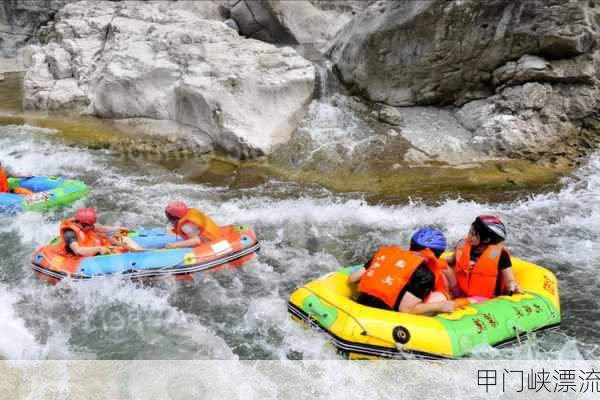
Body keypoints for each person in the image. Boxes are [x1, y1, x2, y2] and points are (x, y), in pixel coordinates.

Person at [348, 228, 457, 315]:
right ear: (437, 254)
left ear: (412, 244)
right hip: (384, 315)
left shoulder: (387, 254)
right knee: (441, 296)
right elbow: (406, 310)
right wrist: (440, 306)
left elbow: (352, 278)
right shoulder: (426, 275)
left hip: (361, 303)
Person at [444, 215, 522, 304]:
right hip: (461, 291)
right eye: (470, 231)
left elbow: (509, 280)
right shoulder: (464, 245)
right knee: (443, 267)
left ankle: (453, 302)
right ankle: (451, 296)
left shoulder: (500, 255)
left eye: (473, 234)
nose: (469, 236)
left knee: (458, 303)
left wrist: (512, 284)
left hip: (484, 298)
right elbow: (453, 260)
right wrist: (436, 260)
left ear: (486, 240)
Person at [59, 208, 141, 256]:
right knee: (108, 242)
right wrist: (98, 248)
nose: (92, 227)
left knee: (114, 236)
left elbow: (100, 229)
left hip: (90, 244)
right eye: (90, 225)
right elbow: (78, 250)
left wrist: (117, 228)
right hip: (78, 257)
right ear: (83, 224)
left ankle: (137, 250)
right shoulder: (69, 233)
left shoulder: (83, 224)